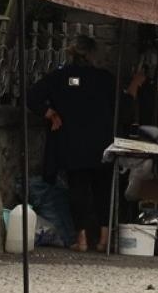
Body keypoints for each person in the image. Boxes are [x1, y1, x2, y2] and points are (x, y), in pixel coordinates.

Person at [27, 35, 118, 252]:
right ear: (93, 54)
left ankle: (82, 239)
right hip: (102, 143)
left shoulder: (60, 77)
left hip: (72, 143)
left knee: (78, 191)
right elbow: (122, 107)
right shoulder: (105, 78)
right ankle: (104, 240)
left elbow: (31, 97)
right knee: (103, 190)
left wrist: (50, 114)